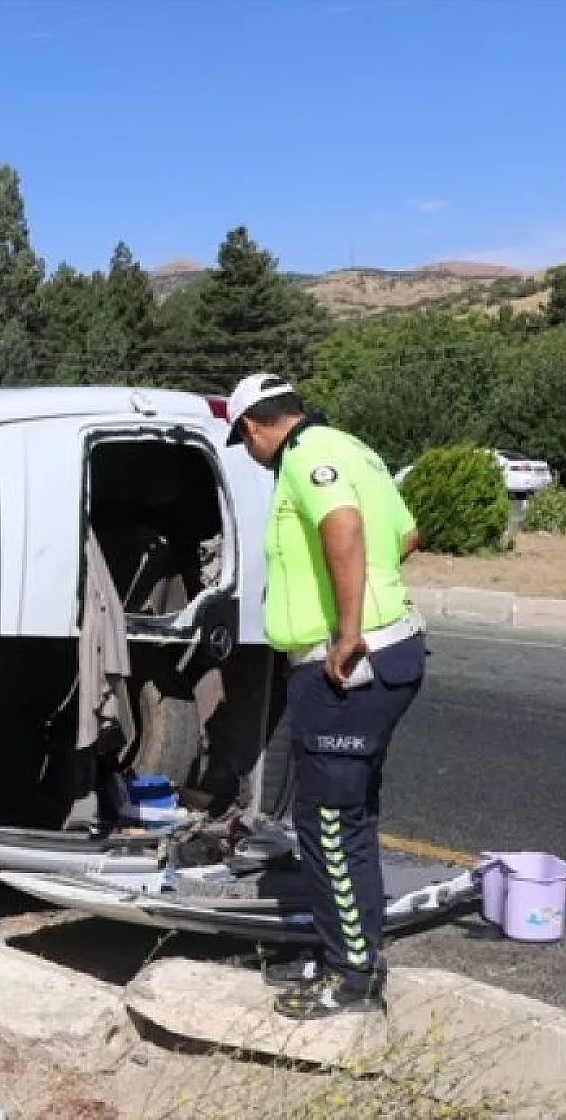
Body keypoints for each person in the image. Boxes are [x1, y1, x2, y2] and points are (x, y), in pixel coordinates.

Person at [224, 372, 425, 1021]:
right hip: (388, 652)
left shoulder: (305, 456)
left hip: (346, 666)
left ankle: (352, 978)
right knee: (351, 817)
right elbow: (406, 534)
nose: (251, 453)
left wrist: (348, 629)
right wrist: (370, 592)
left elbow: (343, 525)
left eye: (244, 441)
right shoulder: (354, 448)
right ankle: (349, 951)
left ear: (252, 426)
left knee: (329, 826)